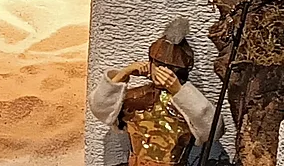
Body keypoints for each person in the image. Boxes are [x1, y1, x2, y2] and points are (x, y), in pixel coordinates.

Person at [88, 19, 217, 166]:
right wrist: (123, 74)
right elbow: (100, 108)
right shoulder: (137, 98)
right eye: (160, 65)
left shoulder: (189, 106)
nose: (165, 72)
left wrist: (179, 91)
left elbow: (213, 130)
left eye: (171, 68)